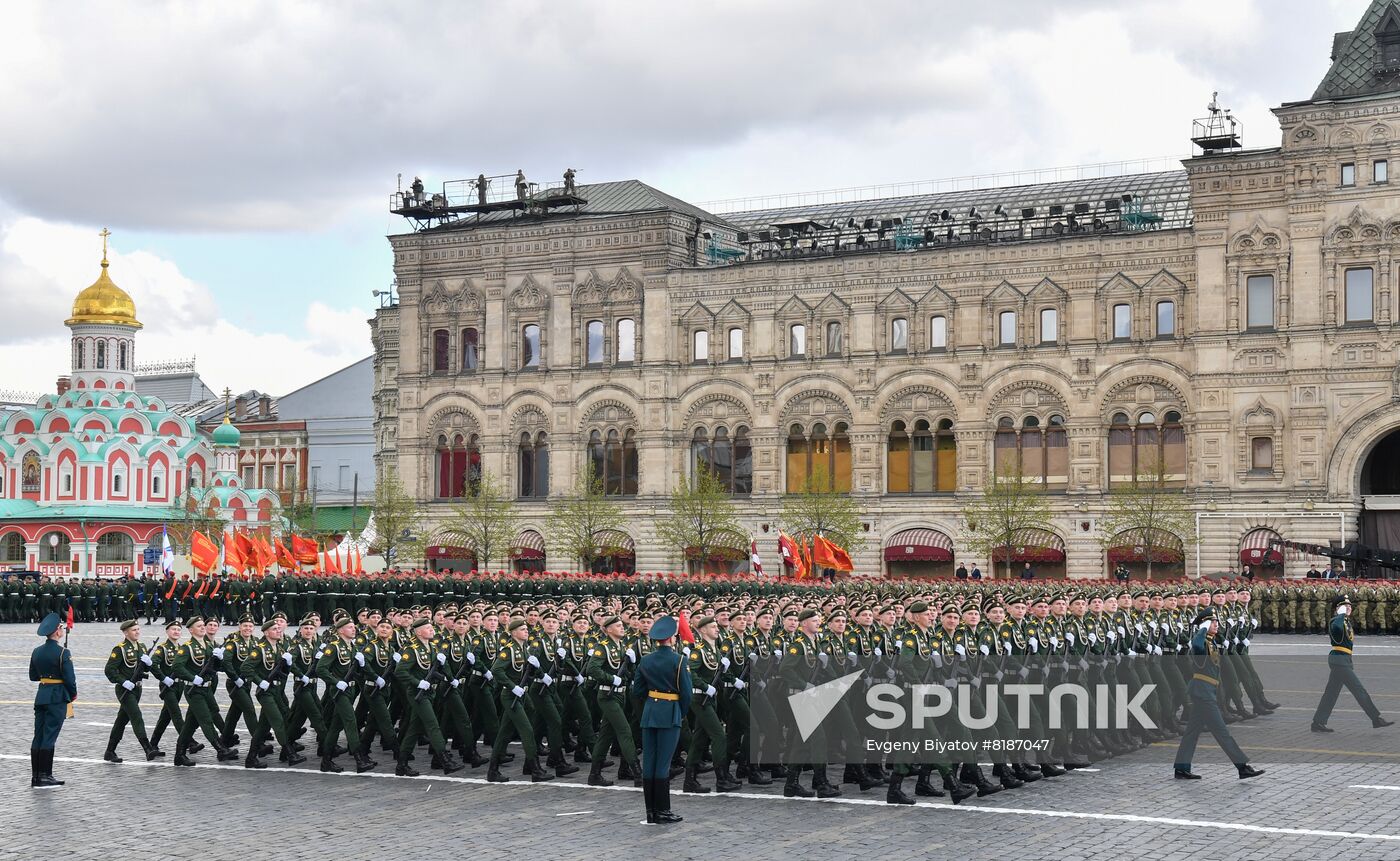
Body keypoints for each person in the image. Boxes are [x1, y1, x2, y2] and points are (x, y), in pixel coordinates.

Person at [1172, 607, 1264, 781]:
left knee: (1191, 732)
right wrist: (1202, 629)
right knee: (1222, 731)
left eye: (1215, 621)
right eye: (1212, 622)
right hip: (1203, 693)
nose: (1216, 624)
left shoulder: (1211, 642)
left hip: (1207, 691)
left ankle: (1181, 768)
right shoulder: (1201, 642)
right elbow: (1196, 645)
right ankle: (1242, 767)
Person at [631, 614, 689, 825]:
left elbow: (637, 691)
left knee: (650, 763)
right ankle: (663, 811)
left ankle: (651, 811)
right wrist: (680, 713)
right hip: (670, 712)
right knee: (663, 764)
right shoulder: (679, 660)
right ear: (672, 638)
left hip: (650, 713)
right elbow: (686, 693)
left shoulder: (645, 660)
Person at [1311, 594, 1394, 732]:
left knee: (1331, 693)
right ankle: (1376, 718)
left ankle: (1317, 722)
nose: (1348, 608)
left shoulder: (1345, 621)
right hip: (1339, 661)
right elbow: (1337, 629)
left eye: (1349, 605)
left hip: (1344, 660)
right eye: (1345, 606)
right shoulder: (1335, 621)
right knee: (1358, 690)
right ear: (1338, 608)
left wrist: (1343, 615)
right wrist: (1340, 615)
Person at [29, 611, 75, 788]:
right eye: (61, 628)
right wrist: (72, 694)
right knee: (49, 736)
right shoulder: (63, 652)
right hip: (57, 697)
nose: (62, 630)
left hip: (41, 695)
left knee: (39, 736)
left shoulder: (37, 651)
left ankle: (36, 776)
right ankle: (45, 775)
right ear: (57, 631)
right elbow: (70, 679)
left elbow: (33, 676)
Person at [103, 619, 159, 762]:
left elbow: (145, 669)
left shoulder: (142, 647)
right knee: (136, 715)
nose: (137, 632)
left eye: (138, 629)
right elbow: (109, 670)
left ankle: (110, 751)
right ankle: (147, 748)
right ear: (126, 632)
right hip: (125, 689)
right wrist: (123, 681)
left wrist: (149, 664)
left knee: (121, 720)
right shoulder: (120, 649)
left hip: (137, 689)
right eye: (134, 630)